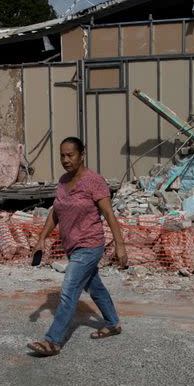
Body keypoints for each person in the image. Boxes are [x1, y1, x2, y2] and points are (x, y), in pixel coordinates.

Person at [26, 137, 127, 357]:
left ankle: (53, 341)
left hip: (90, 245)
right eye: (62, 155)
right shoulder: (63, 181)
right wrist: (41, 238)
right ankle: (112, 323)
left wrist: (120, 246)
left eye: (70, 155)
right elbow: (56, 212)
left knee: (69, 291)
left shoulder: (94, 181)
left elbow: (109, 214)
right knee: (95, 286)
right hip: (72, 246)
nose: (65, 159)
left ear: (83, 154)